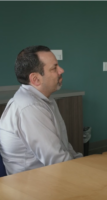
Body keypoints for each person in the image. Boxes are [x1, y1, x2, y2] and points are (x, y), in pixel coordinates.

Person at [0, 45, 83, 175]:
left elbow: (63, 145)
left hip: (51, 174)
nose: (61, 70)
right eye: (54, 68)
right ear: (35, 79)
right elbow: (57, 161)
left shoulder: (44, 99)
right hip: (33, 185)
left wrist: (81, 161)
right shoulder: (30, 108)